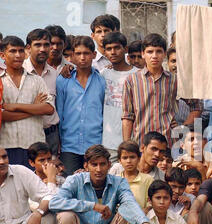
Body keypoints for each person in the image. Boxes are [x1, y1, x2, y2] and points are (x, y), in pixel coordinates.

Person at [49, 145, 154, 224]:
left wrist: (145, 223)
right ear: (86, 165)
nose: (98, 169)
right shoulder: (75, 180)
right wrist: (92, 206)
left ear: (109, 165)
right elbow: (54, 203)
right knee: (65, 216)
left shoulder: (119, 182)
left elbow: (130, 202)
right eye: (94, 164)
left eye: (102, 164)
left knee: (127, 211)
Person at [0, 146, 56, 224]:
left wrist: (38, 214)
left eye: (4, 157)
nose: (2, 162)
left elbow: (48, 196)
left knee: (50, 217)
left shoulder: (20, 172)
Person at [0, 36, 55, 168]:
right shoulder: (0, 81)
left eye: (20, 51)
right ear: (2, 55)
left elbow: (48, 109)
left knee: (34, 186)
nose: (18, 55)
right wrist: (34, 108)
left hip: (34, 146)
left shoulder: (36, 80)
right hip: (6, 145)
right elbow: (2, 115)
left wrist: (14, 107)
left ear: (26, 53)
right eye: (12, 51)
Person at [56, 36, 105, 175]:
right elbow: (60, 112)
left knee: (94, 185)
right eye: (78, 53)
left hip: (95, 143)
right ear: (72, 56)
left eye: (86, 53)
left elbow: (103, 112)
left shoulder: (102, 81)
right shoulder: (63, 80)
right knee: (69, 184)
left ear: (94, 55)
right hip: (69, 144)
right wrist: (59, 141)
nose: (82, 57)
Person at [122, 33, 179, 148]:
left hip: (168, 144)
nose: (154, 56)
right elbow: (127, 116)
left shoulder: (175, 80)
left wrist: (183, 125)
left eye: (158, 51)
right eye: (150, 52)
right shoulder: (131, 80)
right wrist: (127, 147)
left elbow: (196, 106)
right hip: (141, 144)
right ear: (143, 54)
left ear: (164, 54)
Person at [101, 32, 138, 162]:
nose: (113, 52)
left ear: (125, 49)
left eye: (117, 48)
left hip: (132, 141)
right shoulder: (103, 74)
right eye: (109, 49)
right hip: (108, 142)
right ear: (104, 52)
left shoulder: (137, 75)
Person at [23, 29, 60, 157]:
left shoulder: (55, 74)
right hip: (27, 132)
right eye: (38, 45)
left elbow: (55, 108)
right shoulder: (20, 72)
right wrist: (36, 107)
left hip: (51, 135)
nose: (43, 49)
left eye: (46, 45)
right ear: (28, 48)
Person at [116, 140, 154, 213]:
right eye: (125, 158)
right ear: (119, 160)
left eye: (132, 157)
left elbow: (150, 204)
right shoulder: (115, 179)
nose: (129, 161)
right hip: (118, 220)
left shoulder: (147, 179)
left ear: (139, 158)